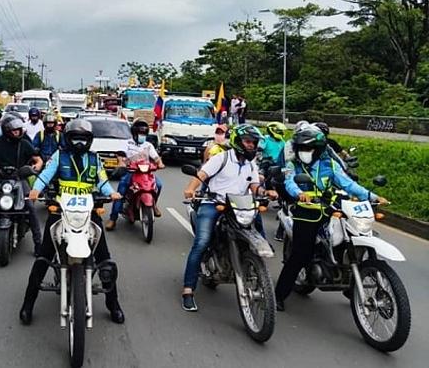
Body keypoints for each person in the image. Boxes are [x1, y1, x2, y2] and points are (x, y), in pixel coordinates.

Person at [19, 119, 125, 325]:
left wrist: (112, 194)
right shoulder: (60, 156)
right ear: (67, 139)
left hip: (88, 211)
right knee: (43, 257)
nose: (78, 143)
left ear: (89, 140)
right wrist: (35, 190)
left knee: (105, 259)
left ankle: (114, 305)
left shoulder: (95, 160)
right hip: (60, 211)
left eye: (83, 139)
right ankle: (27, 304)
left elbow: (103, 182)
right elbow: (45, 176)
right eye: (75, 138)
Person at [274, 125, 388, 311]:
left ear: (318, 149)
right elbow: (289, 182)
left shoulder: (330, 165)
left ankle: (350, 283)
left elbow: (349, 184)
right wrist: (299, 194)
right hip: (306, 213)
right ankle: (279, 295)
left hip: (330, 210)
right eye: (301, 148)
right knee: (300, 255)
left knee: (350, 238)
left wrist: (372, 196)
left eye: (308, 149)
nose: (304, 152)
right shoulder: (292, 164)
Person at [180, 124, 276, 312]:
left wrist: (266, 192)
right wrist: (191, 189)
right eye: (248, 142)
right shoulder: (221, 158)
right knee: (201, 242)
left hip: (239, 205)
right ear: (238, 142)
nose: (251, 146)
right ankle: (188, 290)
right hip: (213, 202)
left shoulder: (251, 164)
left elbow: (255, 186)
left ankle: (258, 256)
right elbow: (201, 175)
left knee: (256, 220)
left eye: (254, 143)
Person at [0, 114, 44, 257]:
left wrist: (36, 167)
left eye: (19, 130)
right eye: (14, 130)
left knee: (30, 207)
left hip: (20, 179)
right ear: (7, 131)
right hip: (0, 179)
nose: (17, 132)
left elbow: (38, 160)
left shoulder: (24, 143)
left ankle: (38, 244)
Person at [106, 120, 164, 230]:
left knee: (159, 184)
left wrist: (160, 163)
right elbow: (120, 154)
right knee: (121, 190)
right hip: (131, 172)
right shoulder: (127, 143)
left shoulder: (148, 145)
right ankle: (113, 219)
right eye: (140, 134)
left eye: (144, 134)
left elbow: (156, 158)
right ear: (134, 134)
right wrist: (121, 163)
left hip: (146, 173)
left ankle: (154, 204)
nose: (142, 136)